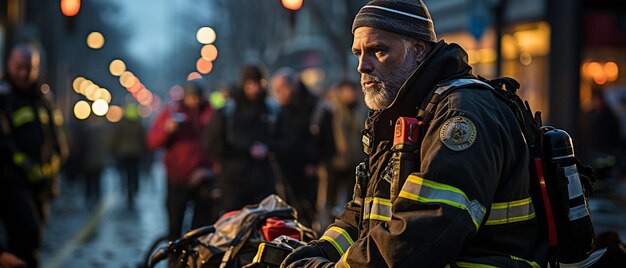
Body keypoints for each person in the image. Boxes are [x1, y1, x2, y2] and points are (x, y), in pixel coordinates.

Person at [282, 1, 546, 267]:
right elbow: (364, 213)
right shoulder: (400, 111)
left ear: (418, 50)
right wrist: (322, 250)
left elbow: (425, 232)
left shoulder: (460, 115)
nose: (362, 66)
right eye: (358, 53)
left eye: (378, 51)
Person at [0, 43, 68, 267]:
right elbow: (4, 142)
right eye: (19, 67)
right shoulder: (4, 97)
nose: (23, 73)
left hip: (41, 185)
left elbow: (54, 134)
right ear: (8, 64)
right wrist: (25, 166)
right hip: (12, 183)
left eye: (29, 68)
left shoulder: (43, 97)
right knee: (24, 238)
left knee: (34, 237)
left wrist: (59, 155)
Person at [205, 65, 291, 213]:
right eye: (250, 84)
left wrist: (267, 148)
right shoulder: (228, 111)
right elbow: (211, 143)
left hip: (263, 183)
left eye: (257, 83)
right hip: (233, 183)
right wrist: (242, 149)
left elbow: (286, 141)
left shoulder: (272, 110)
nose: (254, 88)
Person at [147, 80, 216, 240]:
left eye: (197, 97)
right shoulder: (172, 112)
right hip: (177, 179)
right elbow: (152, 142)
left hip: (203, 177)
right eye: (191, 97)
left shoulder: (210, 113)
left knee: (201, 228)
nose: (195, 102)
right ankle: (174, 261)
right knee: (175, 225)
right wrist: (167, 130)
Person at [270, 67, 336, 227]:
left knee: (309, 214)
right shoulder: (280, 110)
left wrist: (315, 163)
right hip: (287, 169)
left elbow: (328, 141)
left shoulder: (316, 107)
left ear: (293, 85)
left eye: (282, 89)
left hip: (309, 172)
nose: (280, 95)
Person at [326, 80, 367, 217]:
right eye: (346, 91)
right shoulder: (332, 112)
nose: (350, 94)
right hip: (336, 161)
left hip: (356, 160)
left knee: (352, 194)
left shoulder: (361, 110)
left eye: (351, 90)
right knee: (332, 195)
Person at [112, 104, 147, 207]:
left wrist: (114, 151)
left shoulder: (121, 124)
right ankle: (133, 189)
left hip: (123, 153)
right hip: (136, 153)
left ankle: (127, 189)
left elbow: (116, 138)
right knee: (134, 173)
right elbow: (143, 139)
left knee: (125, 173)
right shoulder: (139, 125)